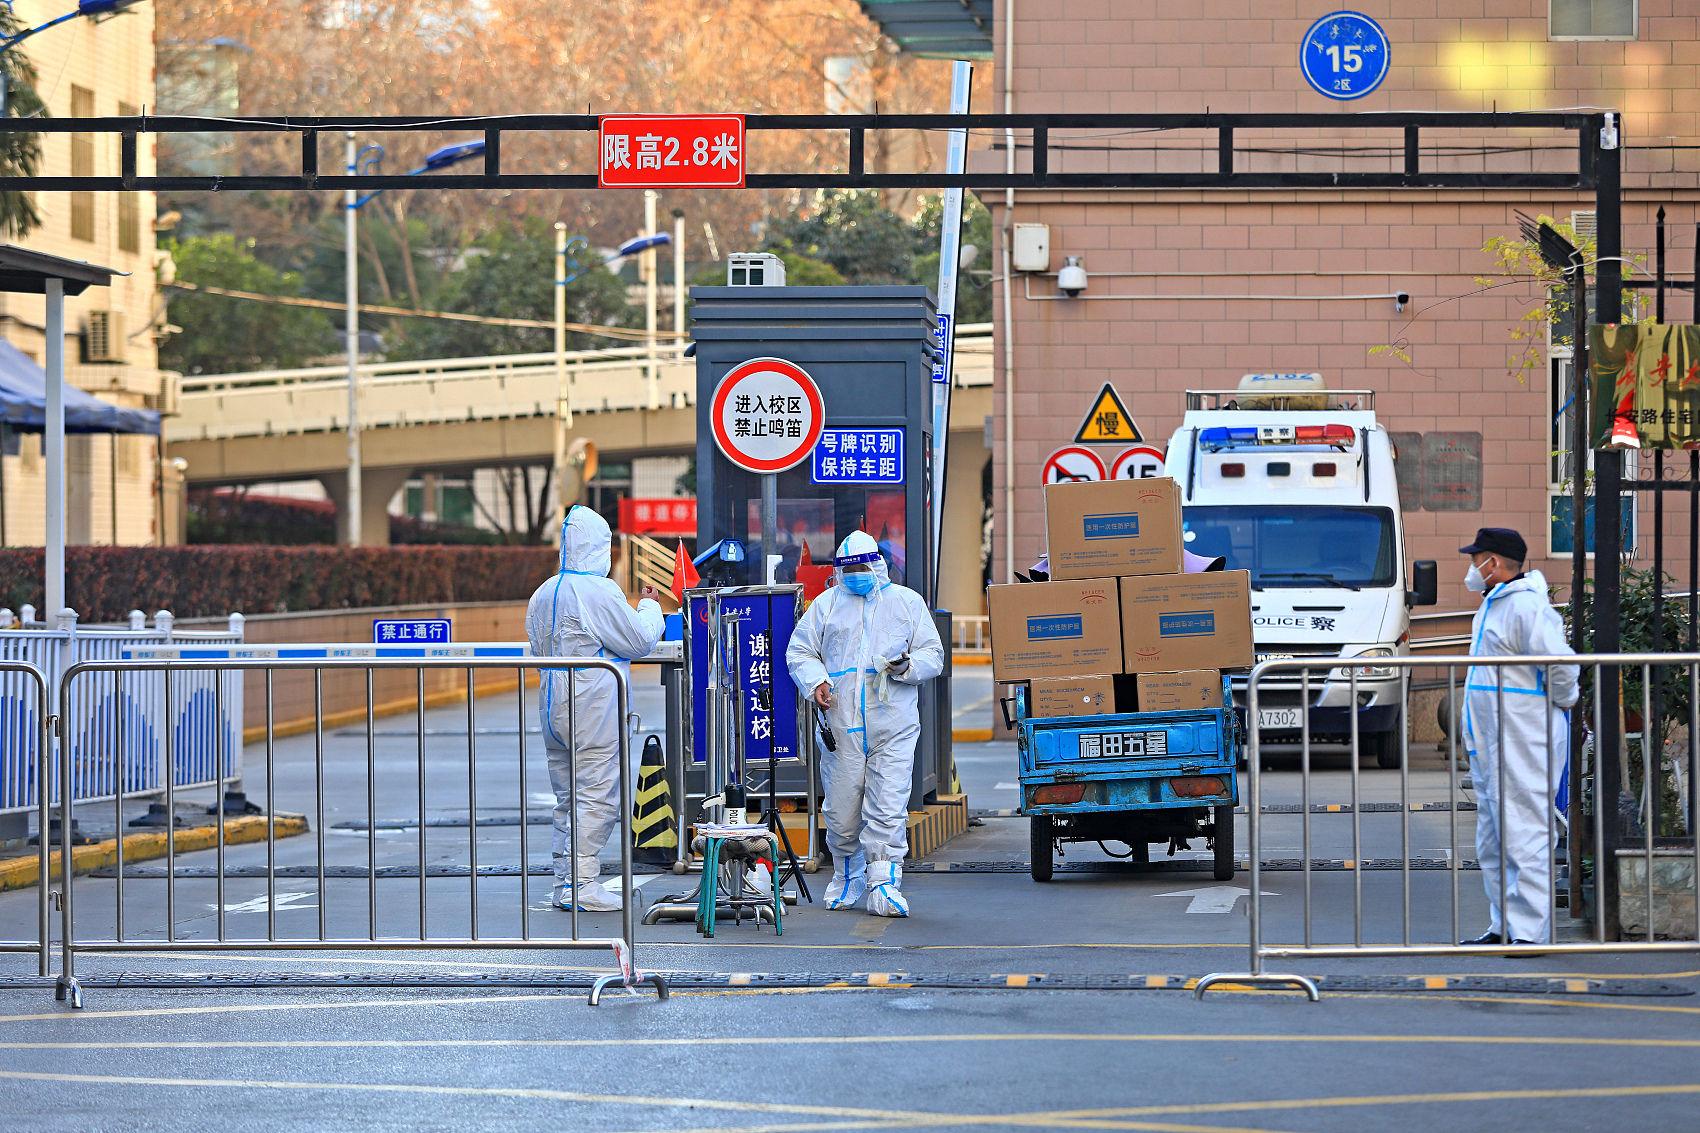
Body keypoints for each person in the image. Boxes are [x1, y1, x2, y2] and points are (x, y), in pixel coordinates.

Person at [786, 530, 944, 916]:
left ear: (877, 564)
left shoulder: (906, 603)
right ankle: (847, 871)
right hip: (842, 726)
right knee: (840, 810)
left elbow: (933, 654)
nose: (855, 573)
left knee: (888, 805)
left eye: (861, 566)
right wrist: (817, 681)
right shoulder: (825, 605)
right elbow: (801, 651)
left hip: (893, 723)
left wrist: (907, 666)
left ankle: (884, 883)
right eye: (848, 568)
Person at [526, 505, 665, 912]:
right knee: (596, 794)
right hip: (592, 708)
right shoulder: (598, 592)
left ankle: (564, 882)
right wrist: (650, 607)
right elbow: (639, 640)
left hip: (552, 706)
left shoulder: (544, 591)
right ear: (599, 546)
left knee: (567, 797)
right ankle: (583, 884)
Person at [1457, 527, 1579, 946]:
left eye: (1477, 559)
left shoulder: (1527, 608)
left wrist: (1562, 703)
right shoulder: (1494, 605)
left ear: (1494, 562)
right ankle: (1504, 926)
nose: (1473, 567)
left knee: (1525, 833)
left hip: (1522, 737)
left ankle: (1529, 932)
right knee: (1493, 840)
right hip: (1496, 741)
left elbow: (1561, 667)